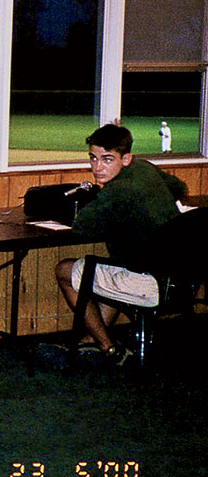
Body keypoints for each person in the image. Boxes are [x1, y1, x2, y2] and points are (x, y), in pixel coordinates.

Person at [54, 124, 187, 366]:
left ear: (126, 159)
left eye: (107, 160)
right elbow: (179, 188)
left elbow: (82, 227)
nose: (97, 168)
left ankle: (109, 348)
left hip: (149, 282)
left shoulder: (116, 191)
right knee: (111, 268)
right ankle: (91, 340)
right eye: (93, 159)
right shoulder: (144, 167)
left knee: (64, 269)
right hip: (179, 279)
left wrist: (95, 199)